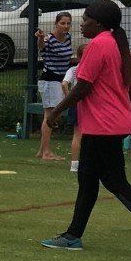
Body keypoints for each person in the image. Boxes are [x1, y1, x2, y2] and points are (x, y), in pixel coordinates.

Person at [41, 1, 131, 259]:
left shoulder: (99, 45)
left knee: (113, 181)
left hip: (102, 125)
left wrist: (56, 111)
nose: (81, 24)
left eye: (85, 19)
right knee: (88, 179)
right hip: (110, 123)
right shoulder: (115, 44)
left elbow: (82, 87)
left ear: (99, 23)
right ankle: (73, 235)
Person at [35, 12, 77, 161]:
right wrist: (40, 39)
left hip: (61, 79)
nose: (66, 26)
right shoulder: (49, 38)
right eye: (62, 23)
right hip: (49, 80)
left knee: (53, 114)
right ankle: (46, 152)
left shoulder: (68, 38)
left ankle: (42, 150)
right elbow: (42, 46)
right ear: (56, 23)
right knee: (50, 114)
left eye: (68, 23)